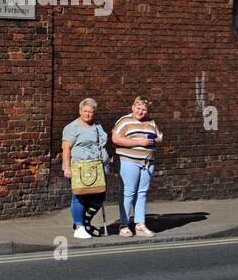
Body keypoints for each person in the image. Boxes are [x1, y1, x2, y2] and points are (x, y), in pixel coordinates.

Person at [112, 95, 162, 237]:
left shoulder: (151, 122)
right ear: (133, 107)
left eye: (144, 109)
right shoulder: (124, 121)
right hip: (129, 161)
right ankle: (124, 225)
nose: (140, 112)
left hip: (147, 162)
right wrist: (140, 142)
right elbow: (116, 139)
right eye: (138, 108)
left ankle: (140, 224)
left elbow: (159, 137)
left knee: (142, 192)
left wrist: (155, 140)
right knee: (128, 192)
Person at [61, 97, 110, 238]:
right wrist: (67, 168)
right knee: (80, 196)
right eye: (85, 111)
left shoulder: (97, 125)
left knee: (99, 195)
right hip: (80, 168)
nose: (88, 114)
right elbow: (66, 148)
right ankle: (79, 227)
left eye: (91, 112)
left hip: (98, 167)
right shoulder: (72, 127)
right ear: (80, 111)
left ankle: (86, 222)